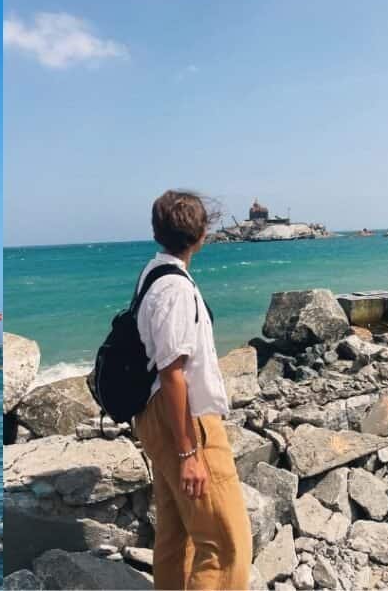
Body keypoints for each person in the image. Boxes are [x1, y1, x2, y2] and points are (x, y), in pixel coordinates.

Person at [133, 190, 250, 590]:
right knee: (226, 545)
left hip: (155, 413)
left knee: (176, 534)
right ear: (202, 234)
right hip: (183, 417)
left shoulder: (153, 273)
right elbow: (173, 373)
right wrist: (189, 454)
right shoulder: (176, 289)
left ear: (157, 232)